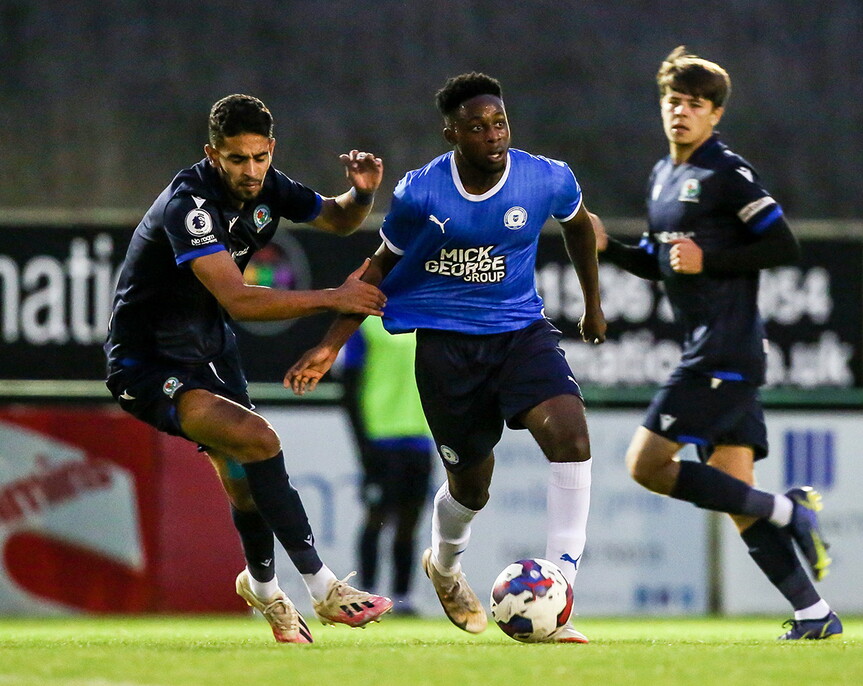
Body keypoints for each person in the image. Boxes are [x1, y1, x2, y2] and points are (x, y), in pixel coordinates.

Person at [284, 72, 606, 643]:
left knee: (572, 437)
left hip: (520, 333)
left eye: (499, 122)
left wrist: (593, 305)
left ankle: (561, 586)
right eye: (477, 126)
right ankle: (446, 565)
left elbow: (580, 228)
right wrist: (330, 343)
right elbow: (378, 269)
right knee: (471, 488)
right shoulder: (422, 193)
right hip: (446, 346)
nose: (493, 134)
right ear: (452, 133)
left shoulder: (544, 178)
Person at [103, 94, 394, 644]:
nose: (251, 170)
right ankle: (323, 586)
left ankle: (262, 588)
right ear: (213, 154)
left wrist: (362, 192)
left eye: (259, 157)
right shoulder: (187, 205)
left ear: (271, 150)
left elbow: (338, 218)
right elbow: (240, 300)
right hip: (147, 364)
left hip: (210, 350)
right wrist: (337, 297)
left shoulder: (266, 185)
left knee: (243, 481)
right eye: (237, 159)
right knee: (259, 440)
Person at [593, 47, 841, 640]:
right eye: (674, 101)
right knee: (737, 499)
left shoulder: (726, 173)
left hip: (724, 352)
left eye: (695, 104)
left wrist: (714, 259)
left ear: (716, 115)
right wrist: (612, 250)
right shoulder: (663, 176)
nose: (681, 112)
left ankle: (791, 511)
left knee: (646, 464)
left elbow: (783, 245)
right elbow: (663, 264)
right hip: (708, 349)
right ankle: (815, 616)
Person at [341, 316, 434, 615]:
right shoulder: (365, 324)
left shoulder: (426, 319)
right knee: (376, 516)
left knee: (410, 519)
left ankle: (402, 596)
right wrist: (362, 445)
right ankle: (365, 594)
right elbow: (349, 387)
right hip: (380, 437)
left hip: (419, 436)